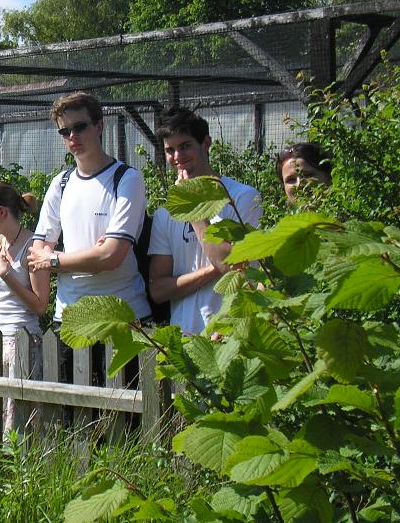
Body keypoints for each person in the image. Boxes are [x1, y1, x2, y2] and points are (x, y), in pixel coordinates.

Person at [29, 92, 150, 387]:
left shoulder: (127, 179)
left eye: (80, 127)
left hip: (122, 318)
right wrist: (89, 259)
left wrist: (55, 260)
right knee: (72, 413)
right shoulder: (60, 183)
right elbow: (35, 253)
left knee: (127, 412)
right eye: (65, 131)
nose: (72, 136)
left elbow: (111, 256)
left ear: (99, 126)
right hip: (69, 320)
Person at [149, 108, 263, 336]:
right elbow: (158, 290)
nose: (178, 156)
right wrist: (214, 268)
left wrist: (192, 210)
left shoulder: (242, 197)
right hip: (184, 338)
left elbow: (238, 269)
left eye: (185, 146)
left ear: (206, 143)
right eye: (170, 150)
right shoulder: (165, 213)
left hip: (230, 334)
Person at [0, 181, 49, 430]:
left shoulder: (34, 247)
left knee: (16, 424)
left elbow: (40, 306)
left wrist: (7, 275)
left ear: (2, 212)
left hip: (21, 341)